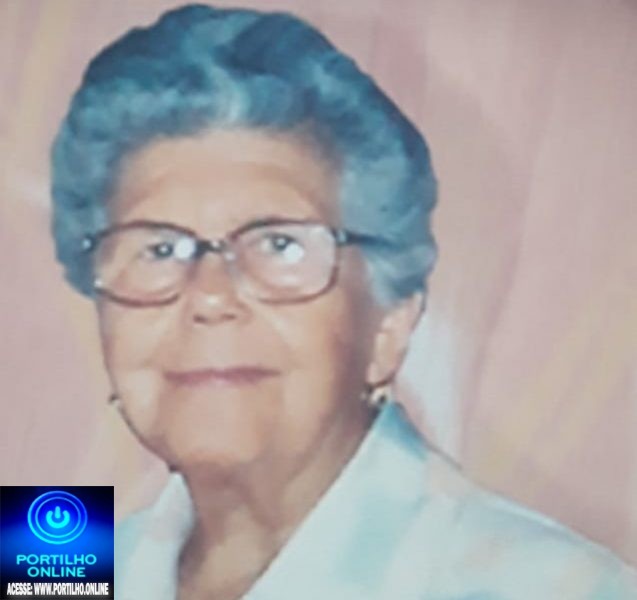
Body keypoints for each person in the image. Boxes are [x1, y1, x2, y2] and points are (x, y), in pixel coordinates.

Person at [50, 4, 636, 599]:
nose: (209, 296)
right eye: (158, 249)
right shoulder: (59, 563)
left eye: (278, 244)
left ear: (388, 326)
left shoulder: (549, 587)